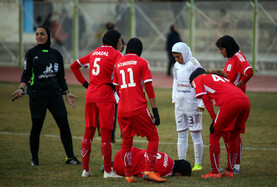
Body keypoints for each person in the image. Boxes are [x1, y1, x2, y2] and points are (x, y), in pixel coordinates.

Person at [11, 25, 81, 166]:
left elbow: (61, 78)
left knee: (64, 126)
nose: (39, 36)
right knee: (36, 127)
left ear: (48, 36)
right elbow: (26, 74)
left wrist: (66, 93)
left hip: (55, 95)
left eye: (42, 34)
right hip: (37, 95)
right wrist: (21, 88)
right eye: (37, 34)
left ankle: (70, 157)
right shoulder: (31, 54)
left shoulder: (56, 54)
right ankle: (34, 159)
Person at [70, 30, 123, 178]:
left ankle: (85, 170)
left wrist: (85, 84)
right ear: (115, 40)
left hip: (90, 95)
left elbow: (74, 66)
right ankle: (107, 171)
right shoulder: (117, 55)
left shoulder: (94, 53)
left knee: (88, 132)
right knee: (106, 134)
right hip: (105, 96)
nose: (122, 43)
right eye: (120, 40)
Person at [113, 38, 166, 183]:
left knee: (127, 141)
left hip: (122, 109)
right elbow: (149, 88)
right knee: (153, 137)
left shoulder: (118, 64)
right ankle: (149, 171)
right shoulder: (142, 62)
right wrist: (155, 110)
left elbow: (117, 89)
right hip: (138, 107)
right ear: (140, 49)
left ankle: (128, 175)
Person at [189, 68, 251, 178]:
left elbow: (205, 99)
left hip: (231, 102)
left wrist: (214, 119)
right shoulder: (220, 78)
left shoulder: (198, 79)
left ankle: (214, 172)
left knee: (214, 134)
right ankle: (229, 170)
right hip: (245, 100)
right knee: (233, 136)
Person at [215, 35, 254, 174]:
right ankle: (231, 165)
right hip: (228, 100)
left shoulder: (239, 56)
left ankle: (235, 167)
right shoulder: (231, 58)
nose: (221, 52)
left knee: (233, 134)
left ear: (228, 47)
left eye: (221, 49)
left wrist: (237, 87)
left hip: (236, 101)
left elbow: (249, 71)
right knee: (228, 133)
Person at [171, 42, 204, 172]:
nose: (177, 59)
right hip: (179, 105)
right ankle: (182, 161)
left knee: (195, 133)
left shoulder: (194, 64)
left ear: (184, 53)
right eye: (175, 57)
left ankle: (198, 163)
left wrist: (201, 103)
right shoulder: (176, 65)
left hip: (192, 104)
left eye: (178, 56)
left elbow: (202, 82)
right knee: (181, 133)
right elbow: (175, 81)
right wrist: (174, 97)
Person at [110, 147, 192, 177]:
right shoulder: (165, 171)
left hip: (126, 151)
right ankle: (113, 166)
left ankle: (112, 164)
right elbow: (144, 175)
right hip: (121, 168)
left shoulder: (166, 155)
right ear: (179, 173)